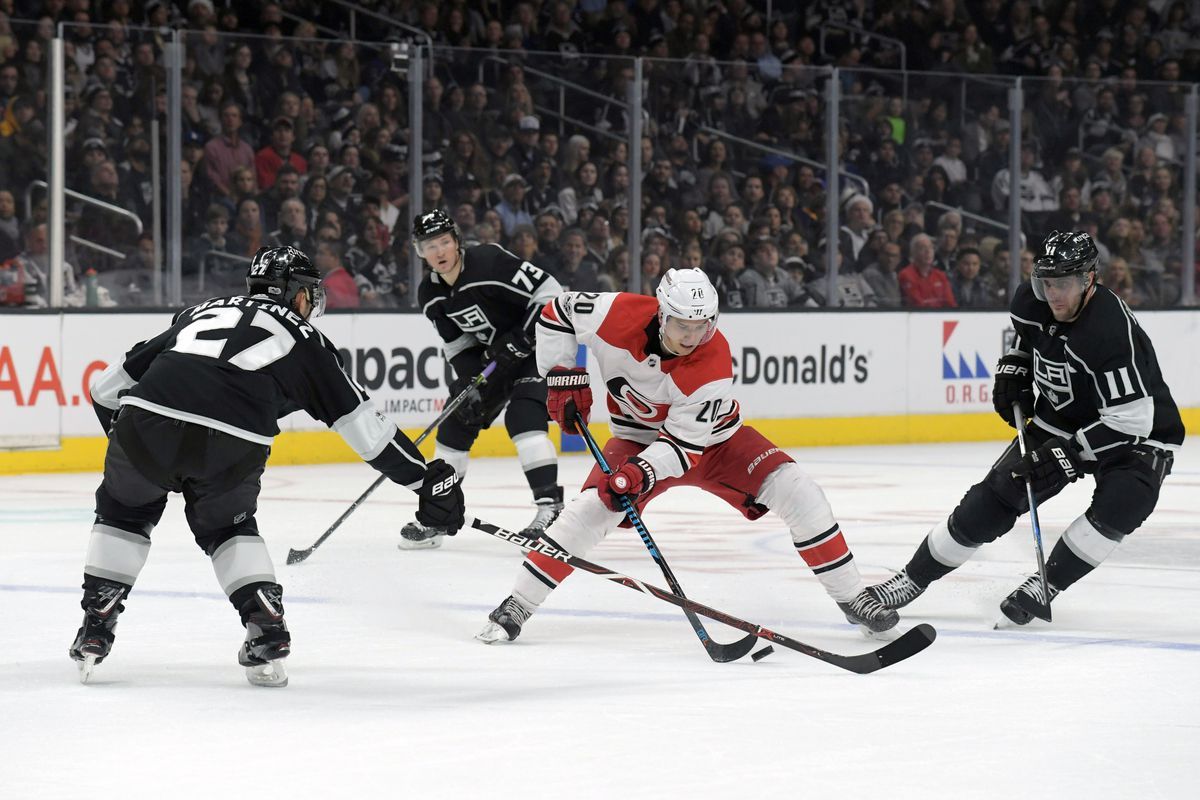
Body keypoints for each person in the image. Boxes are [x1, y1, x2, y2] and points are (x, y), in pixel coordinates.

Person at [72, 246, 464, 687]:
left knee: (124, 513)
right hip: (231, 441)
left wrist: (136, 448)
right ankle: (265, 625)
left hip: (145, 422)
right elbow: (366, 430)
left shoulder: (199, 312)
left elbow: (107, 389)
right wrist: (425, 481)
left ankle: (98, 621)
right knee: (229, 529)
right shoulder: (309, 341)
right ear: (298, 294)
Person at [476, 268, 900, 644]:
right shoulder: (615, 312)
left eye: (703, 325)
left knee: (798, 490)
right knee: (588, 510)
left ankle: (852, 597)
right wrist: (561, 375)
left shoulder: (712, 362)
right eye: (682, 324)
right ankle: (517, 605)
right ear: (661, 312)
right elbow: (556, 312)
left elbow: (682, 448)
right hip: (636, 439)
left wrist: (639, 473)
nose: (692, 336)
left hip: (716, 443)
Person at [866, 232, 1183, 625]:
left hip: (1137, 432)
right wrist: (1015, 364)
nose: (1053, 295)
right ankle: (910, 580)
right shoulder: (1032, 300)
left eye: (1063, 284)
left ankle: (1046, 584)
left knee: (1126, 501)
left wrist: (1069, 454)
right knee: (992, 499)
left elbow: (1131, 420)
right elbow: (1027, 337)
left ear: (1089, 279)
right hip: (1061, 418)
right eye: (1047, 283)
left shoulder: (1110, 333)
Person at [399, 209, 565, 549]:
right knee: (455, 423)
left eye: (444, 242)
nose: (439, 252)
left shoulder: (488, 261)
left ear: (457, 241)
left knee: (523, 420)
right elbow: (458, 344)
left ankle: (551, 510)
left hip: (538, 349)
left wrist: (522, 336)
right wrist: (466, 380)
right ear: (420, 252)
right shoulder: (429, 294)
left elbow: (549, 291)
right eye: (430, 246)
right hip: (496, 360)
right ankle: (441, 515)